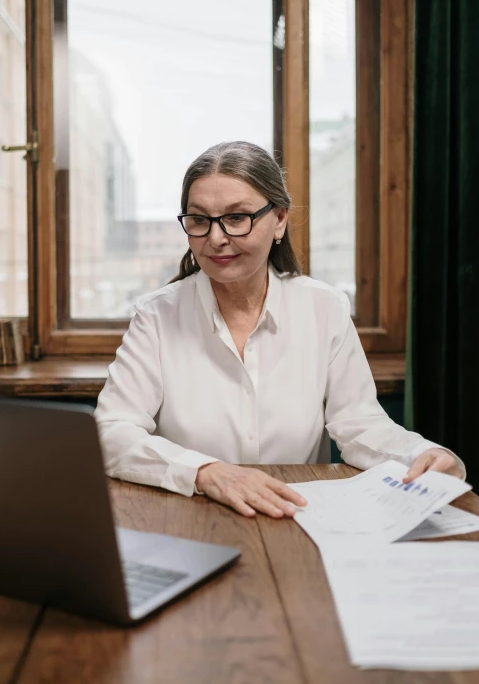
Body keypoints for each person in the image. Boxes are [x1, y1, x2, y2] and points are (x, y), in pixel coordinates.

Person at [95, 141, 465, 519]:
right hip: (190, 514)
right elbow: (111, 433)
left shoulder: (324, 308)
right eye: (199, 219)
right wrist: (205, 472)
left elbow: (359, 425)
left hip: (293, 516)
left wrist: (421, 454)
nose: (216, 238)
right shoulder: (157, 316)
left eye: (237, 218)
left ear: (280, 220)